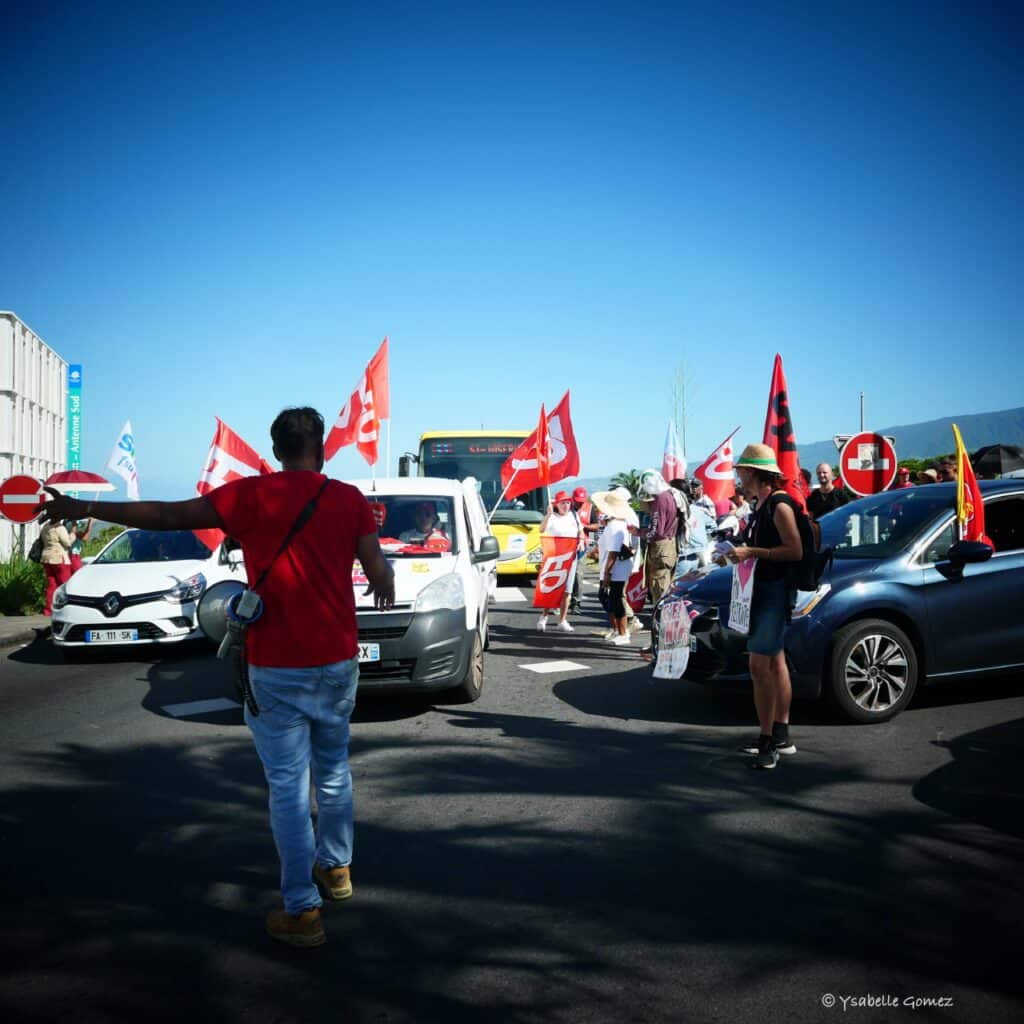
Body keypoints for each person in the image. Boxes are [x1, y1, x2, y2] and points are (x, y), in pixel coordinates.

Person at [36, 407, 395, 949]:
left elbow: (164, 514)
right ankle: (336, 870)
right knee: (334, 772)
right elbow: (377, 570)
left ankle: (302, 909)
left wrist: (83, 505)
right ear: (321, 447)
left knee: (288, 790)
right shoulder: (346, 499)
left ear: (276, 451)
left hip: (276, 667)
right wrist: (382, 580)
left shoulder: (251, 495)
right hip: (337, 661)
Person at [721, 444, 803, 770]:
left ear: (753, 472)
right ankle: (781, 733)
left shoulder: (779, 505)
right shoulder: (763, 505)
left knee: (759, 668)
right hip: (765, 590)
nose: (737, 474)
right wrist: (741, 552)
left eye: (741, 469)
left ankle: (768, 742)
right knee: (776, 661)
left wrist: (753, 552)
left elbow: (794, 550)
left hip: (773, 592)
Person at [592, 489, 637, 646]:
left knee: (616, 599)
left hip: (616, 568)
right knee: (611, 599)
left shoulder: (615, 527)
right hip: (613, 567)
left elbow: (613, 552)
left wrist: (607, 573)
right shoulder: (615, 525)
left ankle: (623, 632)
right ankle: (618, 630)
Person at [537, 491, 584, 633]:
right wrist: (548, 515)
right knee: (552, 588)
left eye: (568, 502)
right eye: (563, 502)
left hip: (571, 557)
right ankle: (544, 616)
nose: (566, 505)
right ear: (556, 504)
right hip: (555, 557)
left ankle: (562, 620)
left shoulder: (574, 515)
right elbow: (541, 529)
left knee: (567, 591)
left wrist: (581, 540)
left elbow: (580, 531)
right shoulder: (552, 517)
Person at [638, 469, 679, 609]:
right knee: (666, 586)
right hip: (670, 546)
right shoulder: (670, 495)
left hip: (660, 548)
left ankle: (661, 622)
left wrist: (639, 532)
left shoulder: (660, 499)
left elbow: (657, 530)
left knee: (660, 589)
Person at [569, 487, 596, 612]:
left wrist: (585, 526)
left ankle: (576, 602)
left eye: (582, 501)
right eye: (577, 501)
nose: (580, 503)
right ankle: (561, 601)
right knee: (565, 574)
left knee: (578, 574)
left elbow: (597, 525)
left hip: (581, 545)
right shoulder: (565, 506)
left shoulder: (590, 508)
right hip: (565, 545)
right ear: (572, 499)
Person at [39, 520, 73, 615]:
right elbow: (67, 543)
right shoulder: (59, 528)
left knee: (51, 584)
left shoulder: (45, 527)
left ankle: (48, 610)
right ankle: (67, 608)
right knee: (65, 584)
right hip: (58, 557)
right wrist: (73, 534)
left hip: (46, 556)